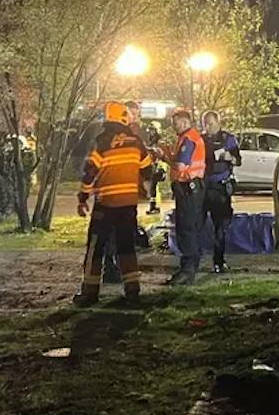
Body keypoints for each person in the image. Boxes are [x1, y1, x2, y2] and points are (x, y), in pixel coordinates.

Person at [75, 102, 155, 306]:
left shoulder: (102, 142)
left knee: (96, 248)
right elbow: (147, 170)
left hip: (105, 204)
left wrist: (83, 198)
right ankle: (132, 292)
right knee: (126, 247)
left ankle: (89, 292)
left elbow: (90, 172)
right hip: (128, 204)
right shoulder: (136, 142)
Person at [167, 109, 207, 285]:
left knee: (186, 229)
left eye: (175, 123)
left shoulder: (188, 139)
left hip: (188, 190)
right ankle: (191, 267)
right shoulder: (191, 137)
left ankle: (187, 270)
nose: (174, 127)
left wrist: (163, 157)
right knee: (193, 227)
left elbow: (181, 165)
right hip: (194, 189)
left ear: (183, 122)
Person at [200, 110, 240, 274]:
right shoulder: (200, 140)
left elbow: (238, 160)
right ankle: (193, 260)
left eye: (210, 123)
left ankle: (218, 261)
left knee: (220, 227)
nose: (207, 127)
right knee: (197, 225)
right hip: (203, 187)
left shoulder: (227, 139)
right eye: (205, 124)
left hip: (220, 188)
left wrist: (229, 157)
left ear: (218, 122)